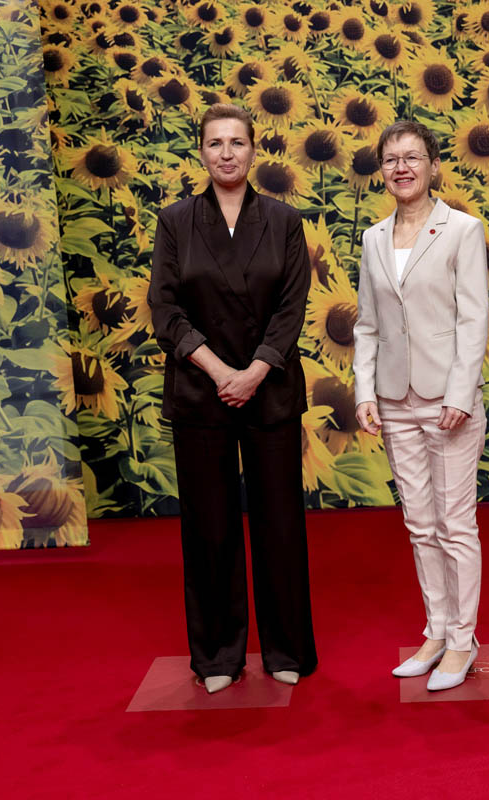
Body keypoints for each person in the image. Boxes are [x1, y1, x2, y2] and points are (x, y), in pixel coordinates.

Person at [149, 104, 317, 694]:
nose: (226, 153)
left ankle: (286, 647)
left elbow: (292, 307)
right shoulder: (174, 221)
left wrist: (255, 372)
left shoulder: (284, 220)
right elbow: (165, 309)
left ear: (254, 150)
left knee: (279, 524)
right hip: (202, 389)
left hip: (269, 389)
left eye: (237, 142)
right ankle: (219, 656)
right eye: (215, 143)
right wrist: (221, 370)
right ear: (201, 152)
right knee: (210, 528)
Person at [352, 120, 489, 691]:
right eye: (391, 159)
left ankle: (462, 641)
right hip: (394, 401)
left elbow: (473, 319)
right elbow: (367, 325)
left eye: (412, 157)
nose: (401, 168)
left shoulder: (463, 230)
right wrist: (364, 391)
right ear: (381, 171)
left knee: (455, 525)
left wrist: (460, 393)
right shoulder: (373, 238)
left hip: (448, 402)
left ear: (433, 166)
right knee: (420, 525)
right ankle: (435, 632)